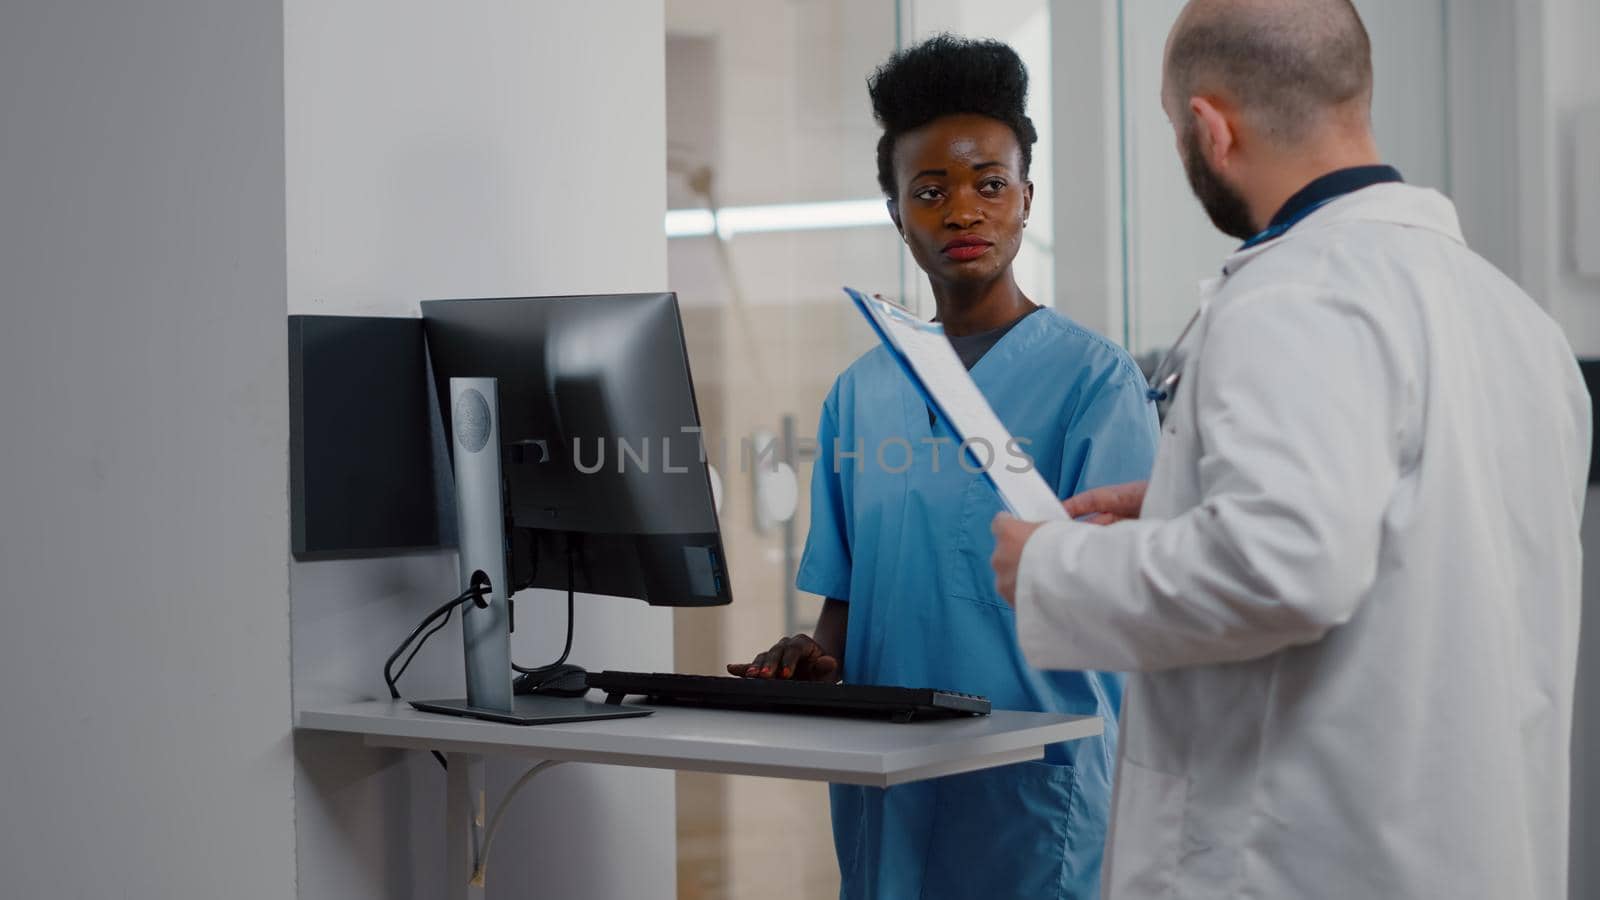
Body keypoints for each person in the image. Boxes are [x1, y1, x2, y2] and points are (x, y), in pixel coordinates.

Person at [989, 2, 1592, 897]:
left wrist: (1055, 566)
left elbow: (1287, 564)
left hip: (1306, 862)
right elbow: (1409, 545)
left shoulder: (1292, 295)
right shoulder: (1516, 322)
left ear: (1209, 127)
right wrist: (1181, 510)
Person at [727, 36, 1159, 899]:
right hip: (892, 788)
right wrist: (812, 655)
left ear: (1026, 198)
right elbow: (845, 609)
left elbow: (1128, 605)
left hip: (1033, 792)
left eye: (989, 184)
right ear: (896, 213)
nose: (963, 211)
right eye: (930, 191)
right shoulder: (859, 396)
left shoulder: (1093, 382)